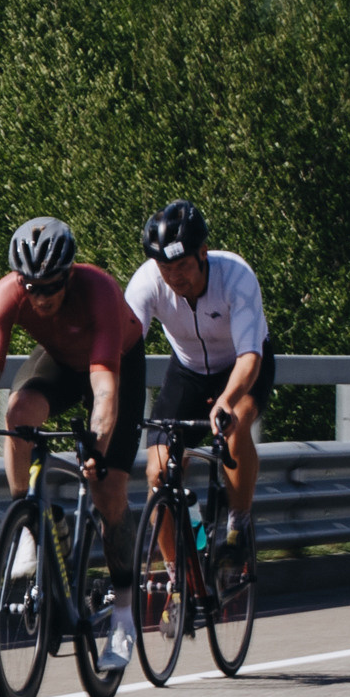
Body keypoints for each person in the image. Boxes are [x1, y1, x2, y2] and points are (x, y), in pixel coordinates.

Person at [0, 216, 148, 669]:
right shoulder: (7, 293)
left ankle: (123, 616)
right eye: (31, 287)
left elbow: (105, 391)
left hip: (115, 364)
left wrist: (96, 447)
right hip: (60, 359)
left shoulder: (97, 290)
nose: (40, 297)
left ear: (68, 276)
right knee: (18, 415)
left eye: (50, 287)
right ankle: (32, 523)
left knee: (108, 488)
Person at [124, 200, 274, 564]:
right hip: (188, 371)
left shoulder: (235, 276)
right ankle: (181, 577)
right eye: (165, 268)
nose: (175, 277)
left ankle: (237, 527)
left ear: (203, 253)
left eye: (183, 266)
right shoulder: (147, 282)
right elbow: (122, 348)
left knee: (235, 424)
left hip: (242, 367)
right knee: (158, 472)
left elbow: (250, 356)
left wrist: (226, 399)